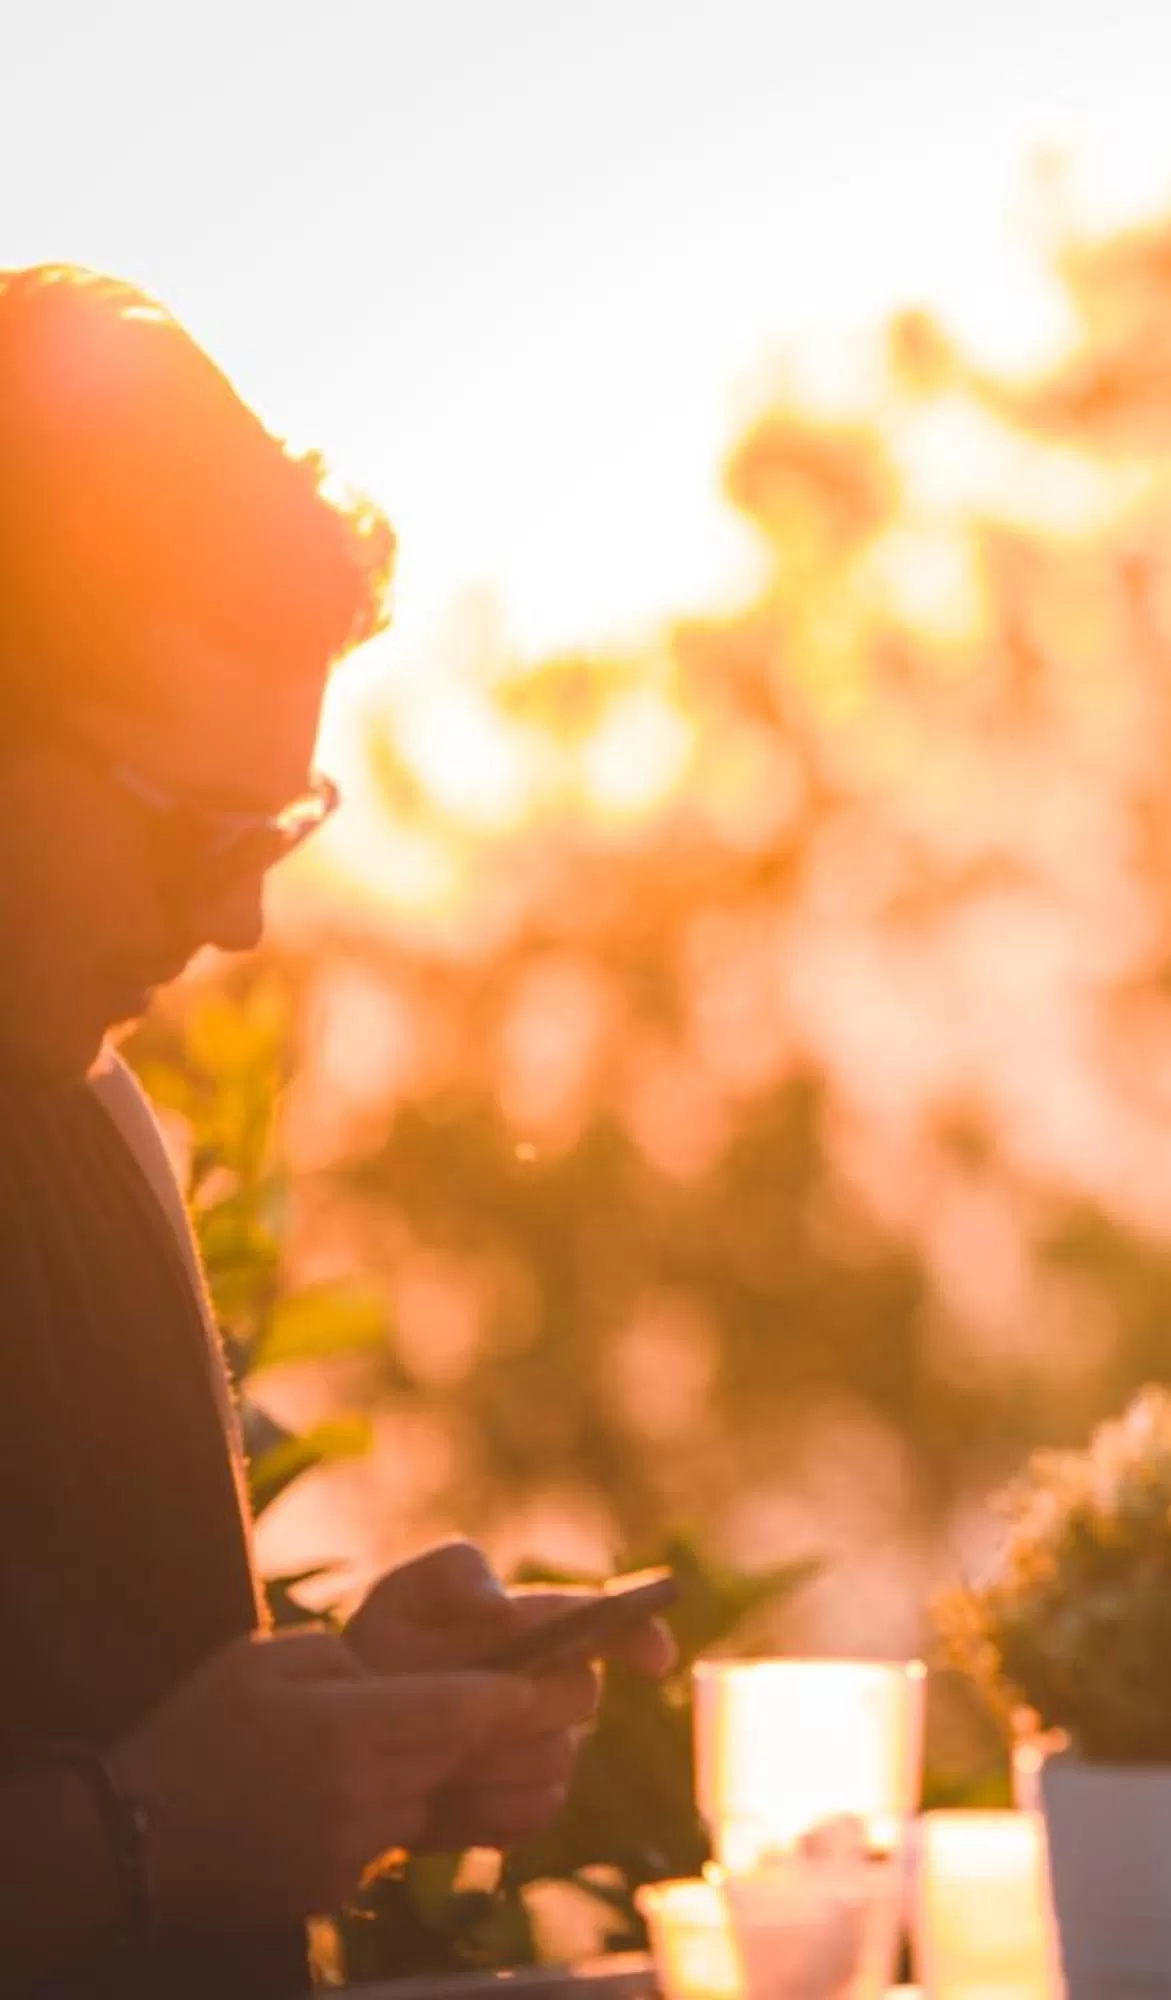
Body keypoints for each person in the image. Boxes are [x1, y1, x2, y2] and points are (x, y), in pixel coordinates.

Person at [0, 266, 676, 1995]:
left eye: (275, 831)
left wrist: (349, 1728)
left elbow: (100, 1733)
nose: (233, 922)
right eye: (183, 830)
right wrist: (146, 1832)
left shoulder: (84, 1119)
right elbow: (130, 1817)